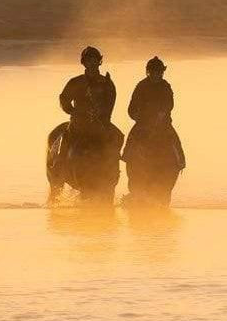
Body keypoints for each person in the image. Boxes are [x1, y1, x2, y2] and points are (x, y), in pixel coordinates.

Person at [56, 46, 122, 200]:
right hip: (80, 123)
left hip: (101, 123)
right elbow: (63, 99)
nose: (92, 63)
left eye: (94, 60)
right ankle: (59, 168)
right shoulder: (75, 82)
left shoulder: (107, 83)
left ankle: (113, 171)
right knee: (65, 139)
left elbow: (111, 103)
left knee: (119, 136)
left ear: (99, 62)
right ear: (84, 63)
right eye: (88, 61)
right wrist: (73, 112)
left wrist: (103, 117)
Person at [122, 56, 186, 205]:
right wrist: (142, 119)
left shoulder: (166, 87)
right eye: (154, 72)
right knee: (131, 147)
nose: (157, 75)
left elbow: (169, 105)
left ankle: (180, 162)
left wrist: (161, 115)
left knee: (175, 145)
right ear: (148, 72)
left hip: (163, 126)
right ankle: (128, 160)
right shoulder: (141, 86)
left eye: (159, 72)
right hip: (143, 125)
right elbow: (131, 110)